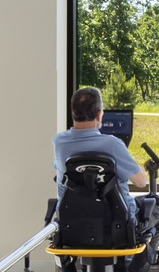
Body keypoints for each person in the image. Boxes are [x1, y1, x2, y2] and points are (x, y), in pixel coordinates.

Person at [53, 87, 152, 222]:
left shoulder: (59, 142)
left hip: (71, 221)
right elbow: (140, 182)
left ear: (73, 113)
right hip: (116, 221)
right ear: (99, 114)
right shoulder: (113, 145)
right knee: (157, 211)